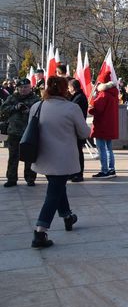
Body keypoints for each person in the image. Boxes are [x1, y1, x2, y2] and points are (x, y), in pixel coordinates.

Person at [30, 76, 91, 248]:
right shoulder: (71, 108)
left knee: (57, 187)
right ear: (65, 89)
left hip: (42, 156)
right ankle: (40, 232)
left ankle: (67, 216)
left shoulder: (37, 106)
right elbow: (84, 133)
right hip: (63, 158)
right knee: (54, 193)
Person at [1, 78, 40, 187]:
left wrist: (29, 111)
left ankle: (30, 178)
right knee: (13, 156)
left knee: (29, 157)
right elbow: (3, 109)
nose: (23, 89)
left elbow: (40, 113)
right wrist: (15, 107)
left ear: (30, 87)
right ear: (17, 88)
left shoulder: (35, 99)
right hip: (14, 132)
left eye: (26, 87)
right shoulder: (12, 98)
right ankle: (11, 179)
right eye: (21, 87)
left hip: (29, 132)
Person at [89, 80, 119, 178]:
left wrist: (90, 107)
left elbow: (97, 110)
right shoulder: (113, 95)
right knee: (109, 149)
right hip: (110, 125)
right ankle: (111, 169)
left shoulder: (103, 95)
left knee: (101, 149)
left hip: (102, 125)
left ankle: (104, 170)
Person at [68, 79, 88, 182]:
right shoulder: (77, 97)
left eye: (69, 87)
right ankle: (73, 173)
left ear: (72, 88)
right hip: (74, 128)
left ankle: (79, 174)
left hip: (77, 128)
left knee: (78, 152)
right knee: (74, 152)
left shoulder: (79, 98)